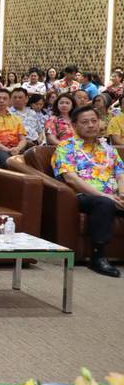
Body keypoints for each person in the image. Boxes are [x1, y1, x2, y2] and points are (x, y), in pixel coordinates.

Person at [53, 106, 124, 277]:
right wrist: (104, 195)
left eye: (94, 121)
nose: (91, 125)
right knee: (104, 203)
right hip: (83, 197)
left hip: (113, 195)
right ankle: (98, 257)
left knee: (109, 201)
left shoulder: (108, 148)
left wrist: (122, 194)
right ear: (74, 126)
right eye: (85, 122)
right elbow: (71, 178)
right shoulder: (66, 147)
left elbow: (121, 174)